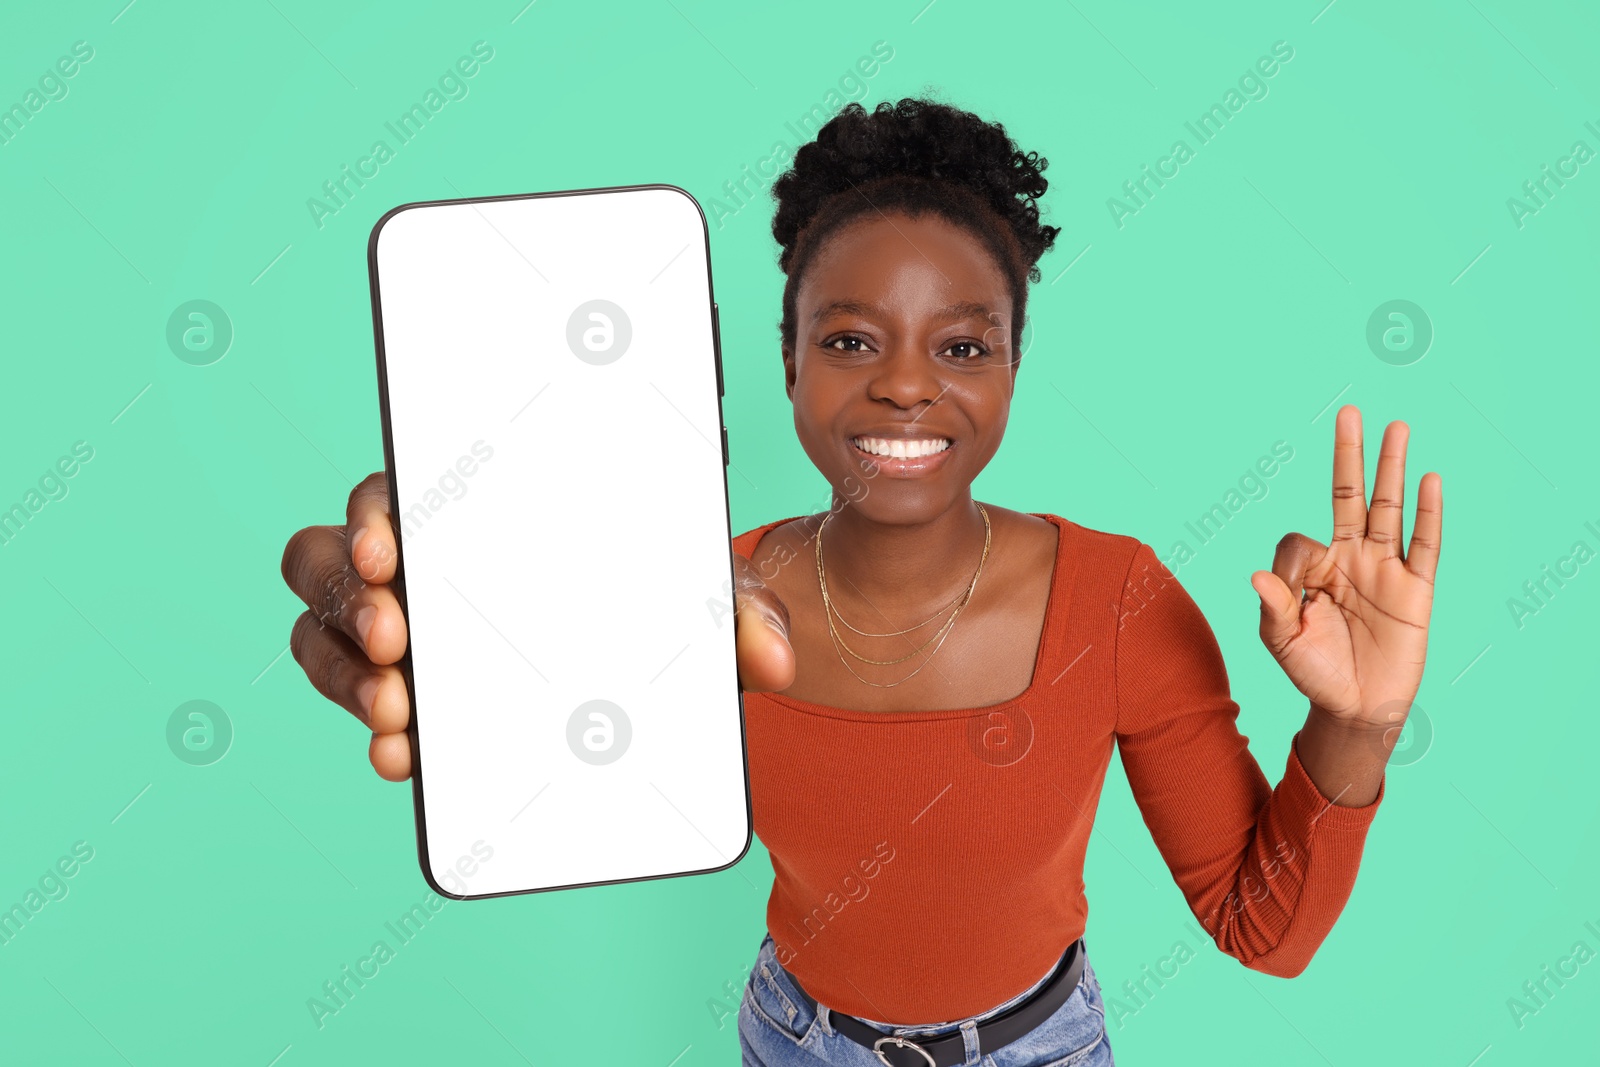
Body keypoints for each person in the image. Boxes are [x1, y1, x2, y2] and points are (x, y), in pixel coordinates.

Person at [279, 97, 1442, 1066]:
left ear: (1010, 369)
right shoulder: (699, 598)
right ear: (785, 362)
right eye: (847, 340)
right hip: (792, 1040)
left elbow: (1263, 925)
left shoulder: (1118, 598)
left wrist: (1355, 720)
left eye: (960, 345)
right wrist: (449, 642)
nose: (903, 387)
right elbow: (543, 753)